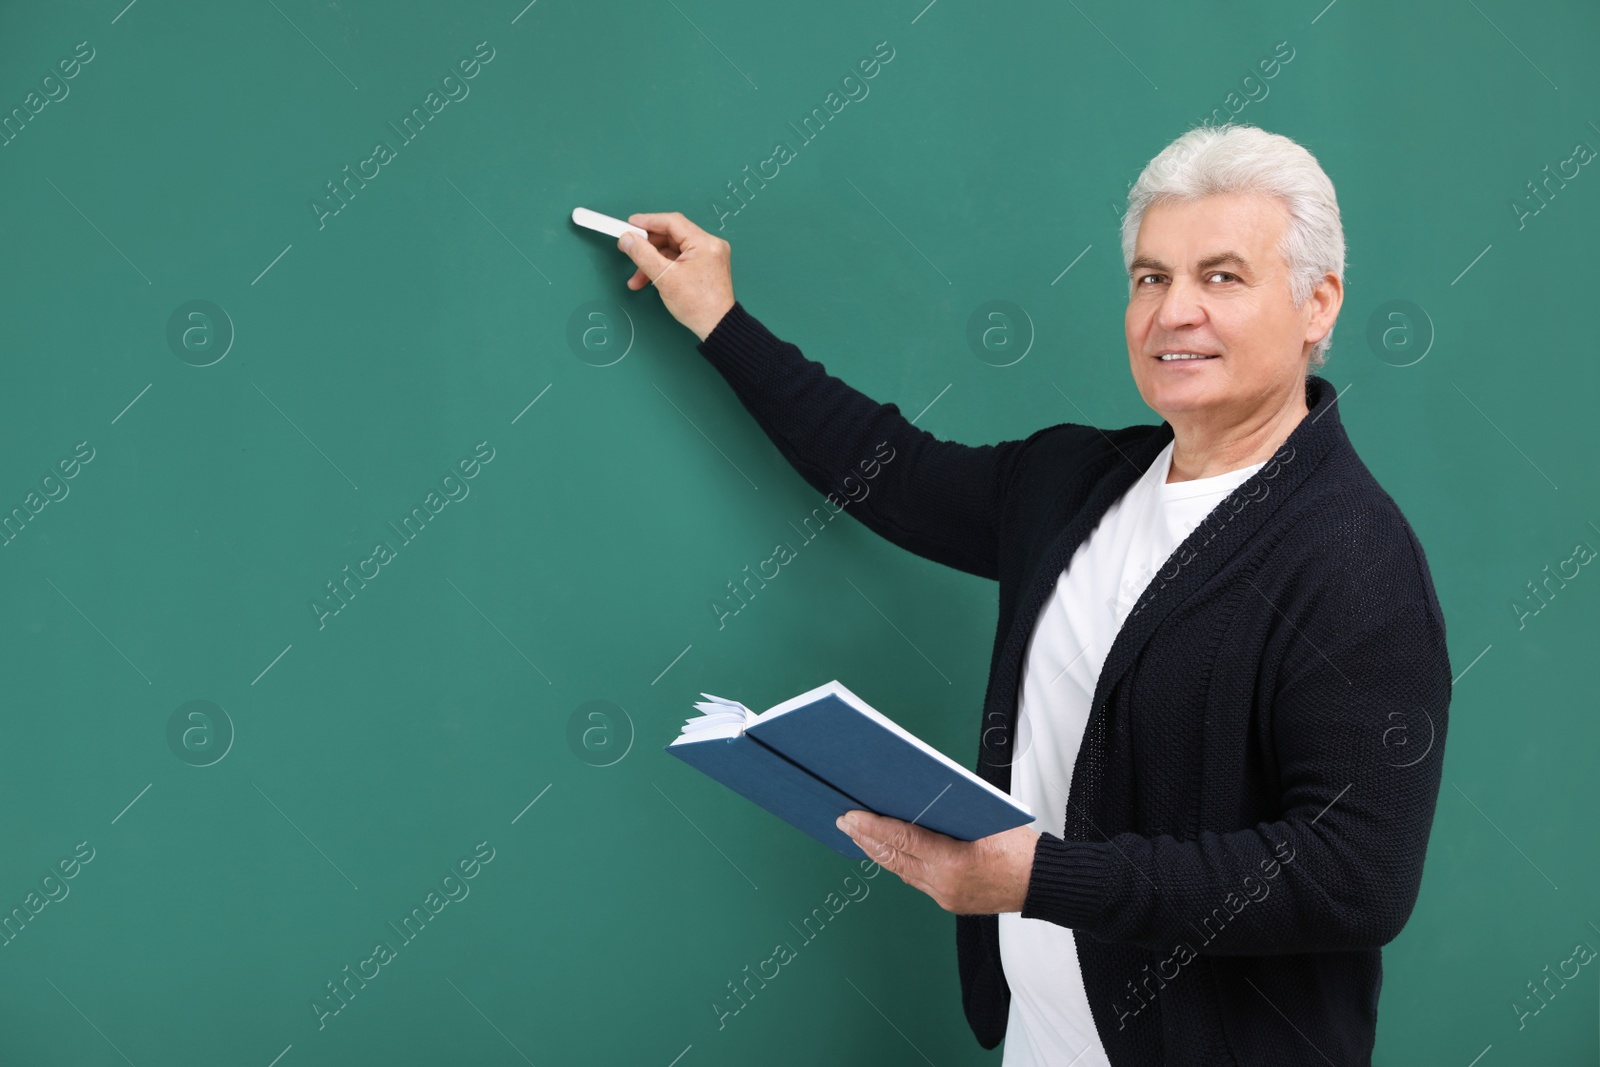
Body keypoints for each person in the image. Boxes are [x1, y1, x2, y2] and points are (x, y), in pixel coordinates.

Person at [616, 122, 1451, 1067]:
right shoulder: (1072, 481)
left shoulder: (1353, 555)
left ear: (1317, 303)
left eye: (1222, 277)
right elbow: (888, 472)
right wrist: (721, 320)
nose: (1174, 312)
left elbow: (1354, 877)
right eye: (1150, 277)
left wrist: (1045, 876)